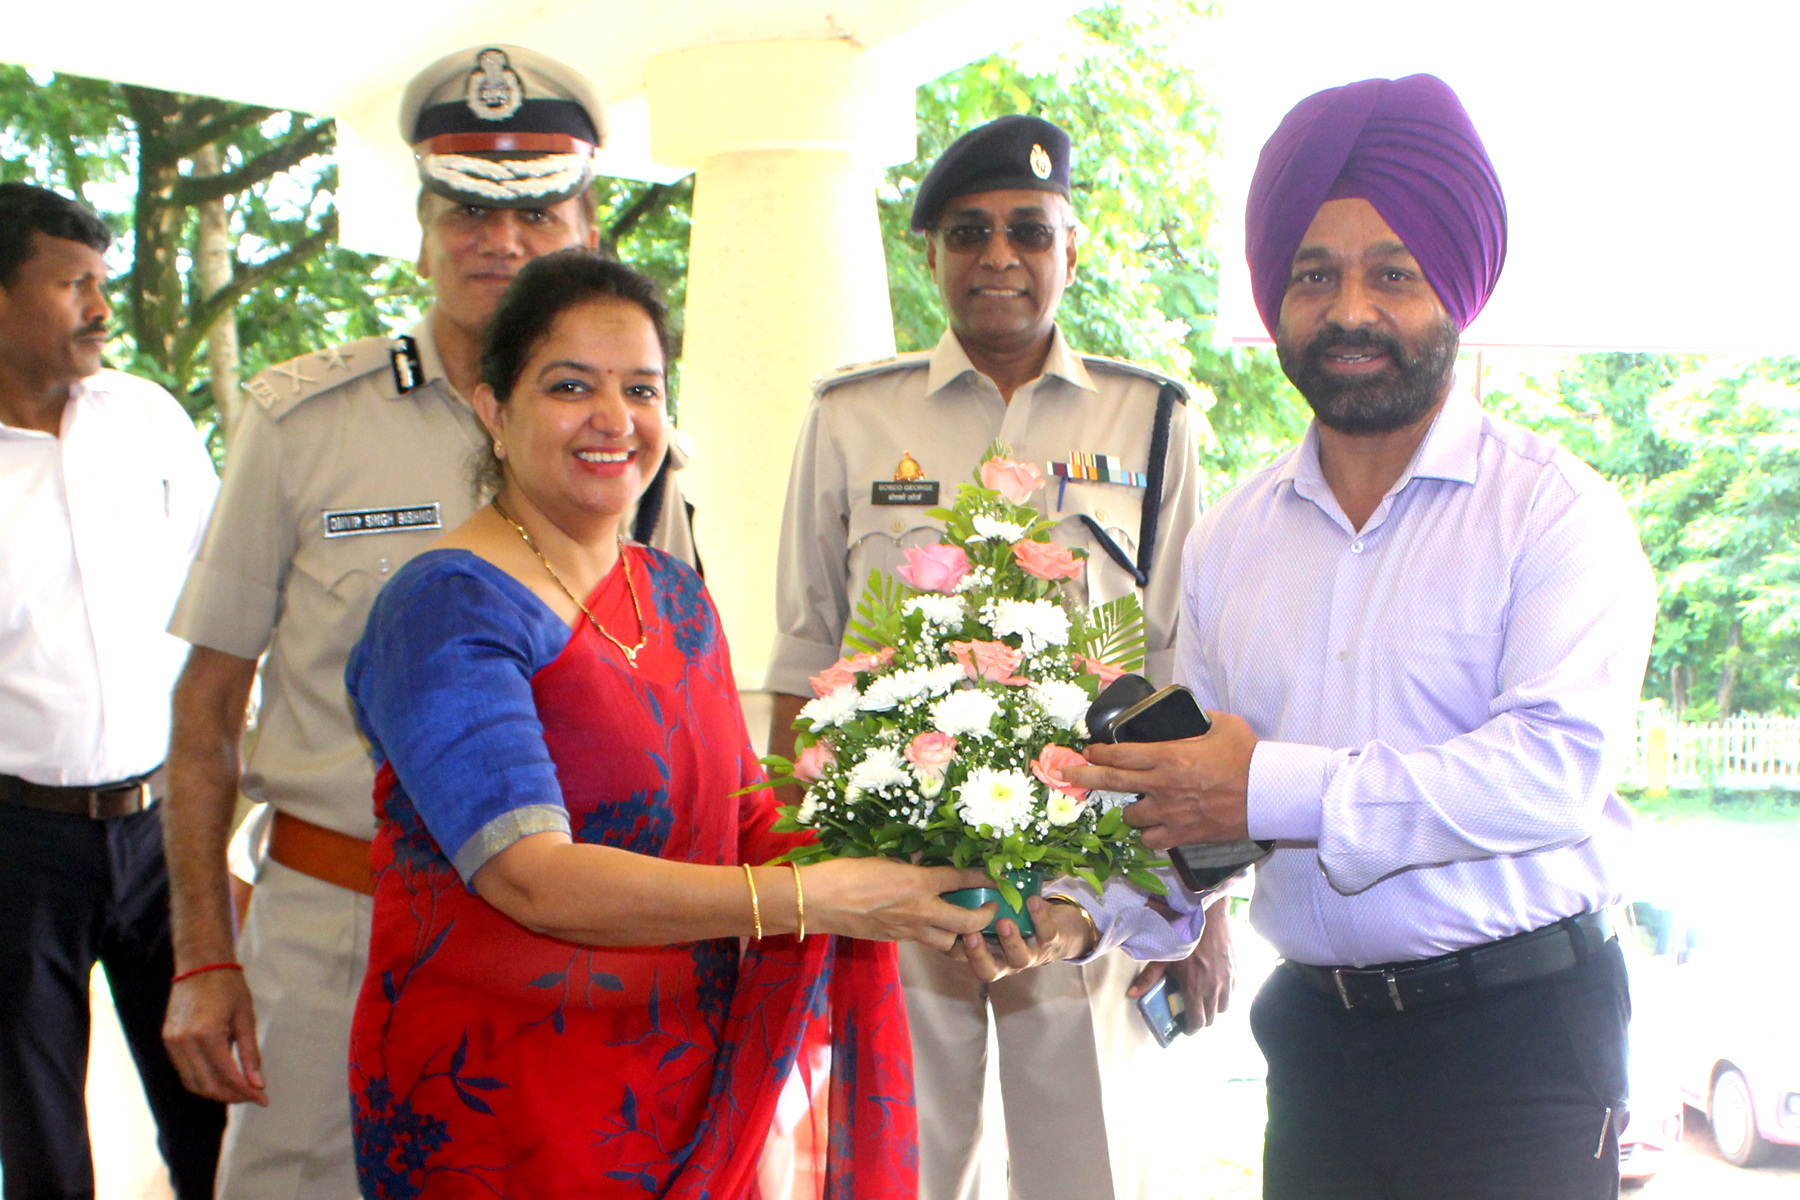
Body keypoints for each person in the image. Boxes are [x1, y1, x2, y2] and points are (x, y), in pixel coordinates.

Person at [967, 74, 1659, 1200]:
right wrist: (1073, 915)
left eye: (1393, 273)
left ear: (1456, 291)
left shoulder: (1554, 513)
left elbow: (1552, 775)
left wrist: (1268, 787)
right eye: (1314, 275)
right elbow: (1197, 813)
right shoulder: (1232, 542)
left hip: (1521, 1046)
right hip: (1320, 1052)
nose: (1350, 311)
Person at [156, 44, 701, 1197]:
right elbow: (206, 706)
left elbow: (670, 708)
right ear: (419, 229)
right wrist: (203, 954)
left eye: (536, 211)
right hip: (337, 927)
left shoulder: (634, 455)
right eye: (465, 209)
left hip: (565, 948)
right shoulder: (304, 423)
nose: (499, 241)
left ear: (586, 229)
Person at [346, 248, 990, 1195]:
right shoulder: (446, 606)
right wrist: (817, 899)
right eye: (571, 386)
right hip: (500, 1098)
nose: (615, 420)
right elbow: (530, 876)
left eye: (642, 389)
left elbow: (746, 819)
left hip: (684, 1078)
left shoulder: (673, 596)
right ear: (493, 409)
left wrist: (934, 859)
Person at [766, 114, 1231, 1200]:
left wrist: (1202, 908)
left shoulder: (1151, 418)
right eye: (969, 233)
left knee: (1089, 1169)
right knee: (907, 1168)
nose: (1000, 257)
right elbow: (802, 659)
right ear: (929, 252)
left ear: (1072, 246)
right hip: (895, 870)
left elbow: (1184, 673)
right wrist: (803, 892)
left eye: (1030, 230)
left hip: (1092, 875)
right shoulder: (850, 418)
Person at [0, 183, 225, 1198]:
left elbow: (224, 595)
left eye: (103, 281)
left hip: (164, 831)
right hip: (18, 848)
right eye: (71, 284)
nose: (99, 307)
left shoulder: (146, 418)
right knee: (41, 1134)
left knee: (214, 1105)